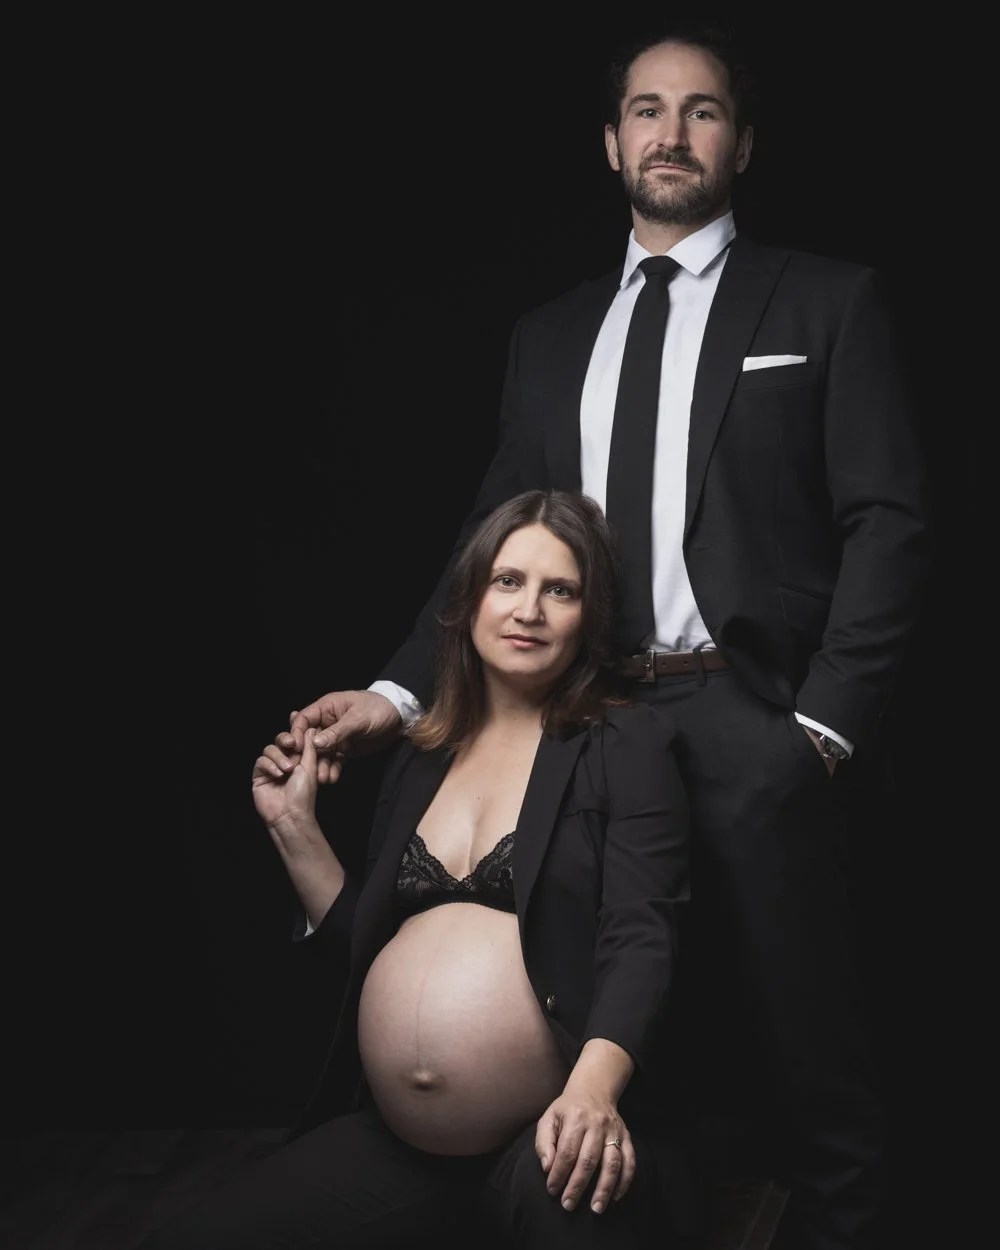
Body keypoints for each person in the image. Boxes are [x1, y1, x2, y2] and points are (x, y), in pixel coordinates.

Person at [278, 23, 931, 1250]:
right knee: (620, 1013)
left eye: (699, 111)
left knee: (806, 1043)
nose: (669, 133)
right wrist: (391, 688)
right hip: (576, 723)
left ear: (740, 143)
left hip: (746, 715)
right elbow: (492, 538)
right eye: (645, 109)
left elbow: (889, 520)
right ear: (610, 142)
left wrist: (822, 728)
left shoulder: (826, 300)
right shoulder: (549, 332)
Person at [140, 489, 698, 1250]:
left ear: (587, 616)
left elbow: (642, 935)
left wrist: (592, 1094)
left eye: (559, 589)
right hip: (404, 1151)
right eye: (508, 581)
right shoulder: (422, 755)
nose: (528, 609)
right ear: (469, 601)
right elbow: (369, 952)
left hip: (554, 1132)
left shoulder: (625, 745)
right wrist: (294, 828)